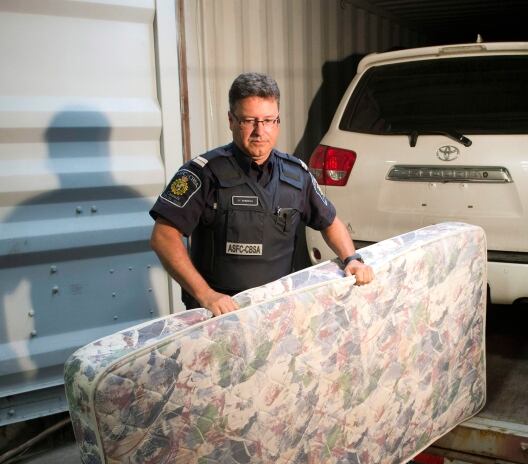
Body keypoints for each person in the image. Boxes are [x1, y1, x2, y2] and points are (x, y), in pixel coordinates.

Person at [149, 72, 374, 315]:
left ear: (277, 121)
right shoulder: (202, 173)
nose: (260, 131)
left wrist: (351, 258)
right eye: (249, 120)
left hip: (276, 311)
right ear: (231, 120)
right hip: (218, 313)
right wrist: (207, 295)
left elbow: (330, 222)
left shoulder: (297, 175)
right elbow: (163, 236)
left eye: (268, 120)